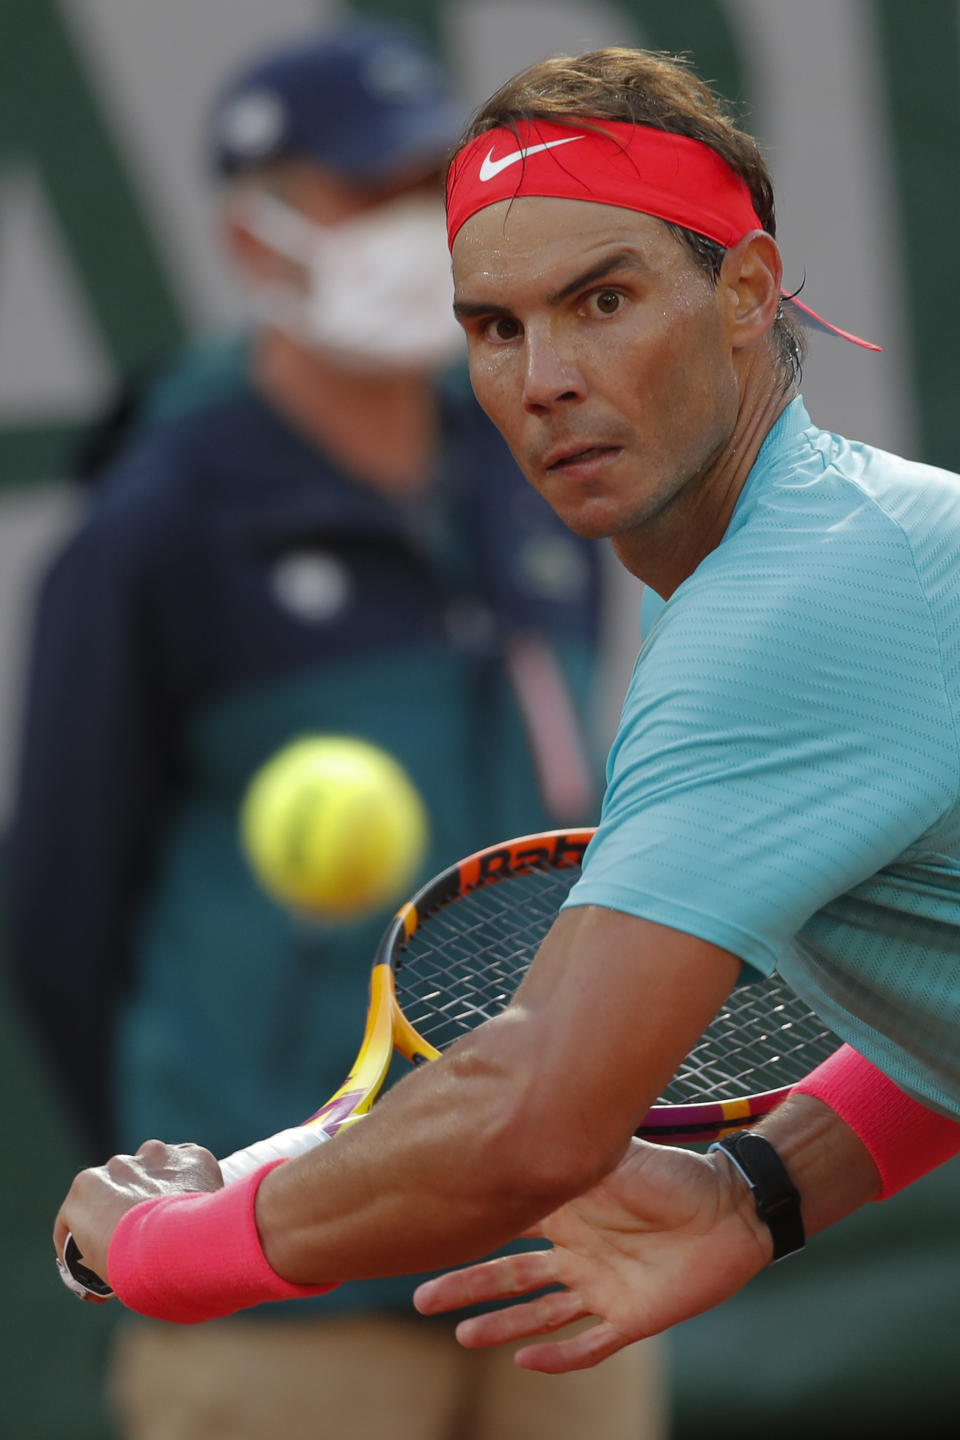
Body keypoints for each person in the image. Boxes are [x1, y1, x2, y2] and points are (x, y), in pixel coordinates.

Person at [50, 40, 960, 1383]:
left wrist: (170, 1250)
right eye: (496, 327)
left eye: (603, 301)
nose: (543, 379)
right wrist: (763, 1189)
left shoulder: (784, 617)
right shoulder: (866, 539)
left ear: (748, 292)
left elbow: (537, 1116)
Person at [10, 23, 669, 1440]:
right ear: (254, 241)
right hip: (283, 1296)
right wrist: (213, 1182)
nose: (407, 231)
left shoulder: (529, 464)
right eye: (360, 194)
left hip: (561, 1252)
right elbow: (61, 908)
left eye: (427, 190)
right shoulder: (154, 531)